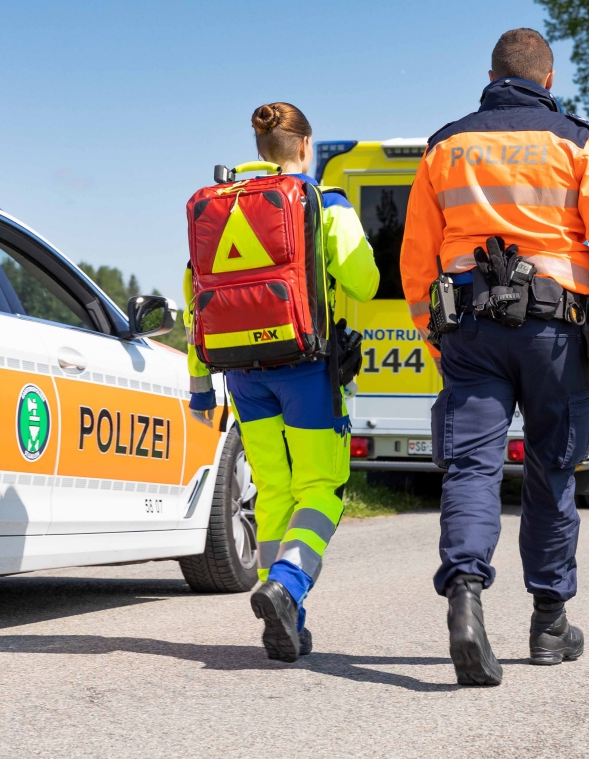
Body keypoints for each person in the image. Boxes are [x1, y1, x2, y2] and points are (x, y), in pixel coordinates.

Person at [399, 29, 589, 686]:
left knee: (471, 470)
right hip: (554, 332)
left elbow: (415, 257)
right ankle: (548, 624)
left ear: (490, 77)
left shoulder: (445, 145)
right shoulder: (579, 142)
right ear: (548, 80)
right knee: (551, 475)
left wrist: (433, 330)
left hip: (471, 333)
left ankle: (464, 594)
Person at [186, 102, 380, 662]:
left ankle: (285, 612)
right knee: (322, 487)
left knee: (271, 490)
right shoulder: (324, 204)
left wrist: (201, 385)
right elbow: (364, 282)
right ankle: (289, 585)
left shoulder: (217, 208)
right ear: (305, 146)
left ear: (259, 149)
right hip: (307, 370)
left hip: (242, 375)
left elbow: (195, 298)